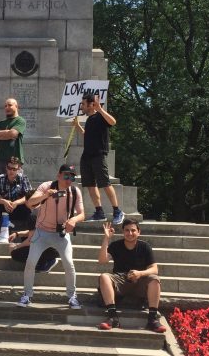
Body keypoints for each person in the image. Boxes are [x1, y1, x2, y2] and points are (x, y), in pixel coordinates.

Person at [18, 164, 85, 309]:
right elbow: (30, 203)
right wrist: (46, 195)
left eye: (72, 177)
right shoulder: (46, 186)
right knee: (31, 262)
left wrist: (73, 220)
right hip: (42, 232)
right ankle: (27, 295)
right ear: (58, 175)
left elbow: (82, 214)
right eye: (66, 176)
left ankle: (72, 296)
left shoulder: (75, 191)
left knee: (69, 263)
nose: (69, 180)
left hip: (61, 233)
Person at [97, 219, 167, 333]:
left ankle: (152, 319)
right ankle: (113, 317)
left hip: (139, 281)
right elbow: (102, 260)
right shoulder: (116, 245)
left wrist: (140, 273)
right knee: (104, 276)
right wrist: (106, 238)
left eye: (133, 230)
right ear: (123, 232)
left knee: (154, 279)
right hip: (120, 281)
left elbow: (155, 269)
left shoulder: (145, 247)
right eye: (127, 230)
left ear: (139, 232)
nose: (130, 233)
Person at [73, 94, 124, 224]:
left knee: (105, 183)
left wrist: (100, 109)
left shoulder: (100, 116)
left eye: (83, 104)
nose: (81, 106)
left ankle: (117, 211)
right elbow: (87, 135)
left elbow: (113, 122)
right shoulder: (90, 119)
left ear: (91, 105)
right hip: (86, 156)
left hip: (98, 155)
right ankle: (99, 212)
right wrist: (78, 126)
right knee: (90, 185)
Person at [0, 157, 32, 242]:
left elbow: (29, 196)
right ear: (6, 168)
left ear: (18, 169)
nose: (11, 171)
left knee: (29, 207)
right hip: (3, 209)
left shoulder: (23, 178)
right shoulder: (0, 178)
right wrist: (4, 202)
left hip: (18, 209)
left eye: (14, 169)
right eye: (9, 168)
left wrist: (16, 203)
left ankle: (27, 236)